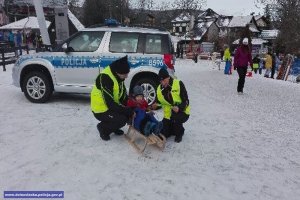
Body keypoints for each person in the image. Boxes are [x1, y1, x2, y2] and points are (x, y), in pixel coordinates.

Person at [91, 56, 134, 141]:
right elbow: (110, 103)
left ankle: (114, 126)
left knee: (126, 115)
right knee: (122, 119)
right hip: (101, 110)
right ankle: (103, 128)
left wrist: (132, 105)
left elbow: (122, 96)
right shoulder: (105, 78)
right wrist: (127, 110)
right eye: (125, 74)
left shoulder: (118, 77)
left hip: (110, 107)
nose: (126, 76)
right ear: (117, 72)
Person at [156, 68, 190, 143]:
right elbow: (159, 102)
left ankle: (180, 133)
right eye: (161, 81)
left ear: (168, 77)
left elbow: (186, 101)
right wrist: (154, 105)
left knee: (175, 118)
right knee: (163, 132)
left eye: (164, 80)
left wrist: (179, 108)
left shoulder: (178, 83)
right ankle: (172, 130)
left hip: (182, 112)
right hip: (168, 115)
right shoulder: (159, 89)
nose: (162, 83)